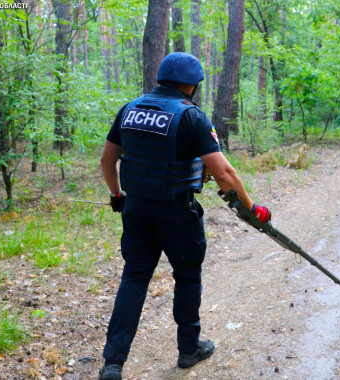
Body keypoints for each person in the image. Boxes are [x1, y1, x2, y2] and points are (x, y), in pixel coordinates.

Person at [98, 52, 272, 380]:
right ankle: (188, 350)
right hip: (176, 212)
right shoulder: (192, 117)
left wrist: (117, 195)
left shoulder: (129, 109)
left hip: (136, 210)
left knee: (134, 278)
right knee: (187, 277)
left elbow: (108, 159)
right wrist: (253, 209)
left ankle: (113, 363)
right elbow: (224, 174)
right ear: (190, 84)